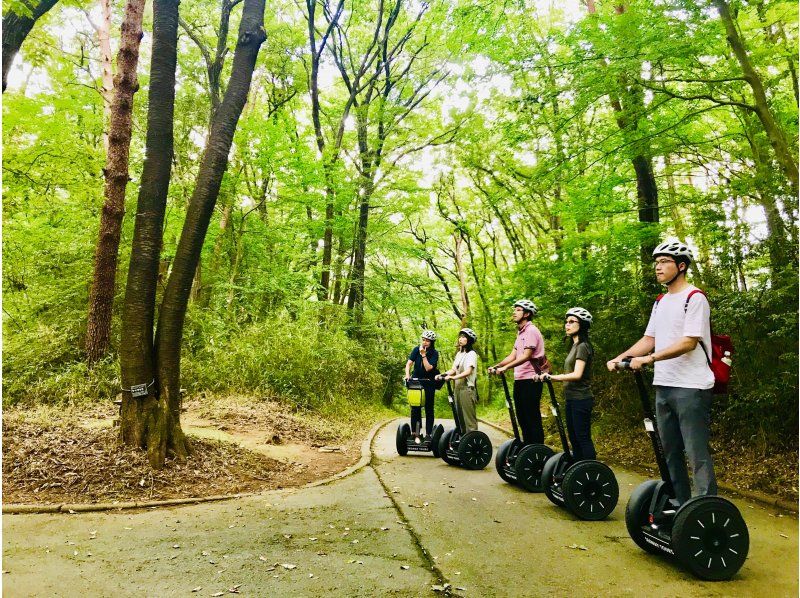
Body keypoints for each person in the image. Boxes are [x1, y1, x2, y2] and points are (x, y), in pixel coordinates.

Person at [606, 240, 716, 504]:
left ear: (681, 266)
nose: (658, 267)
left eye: (665, 262)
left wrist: (650, 358)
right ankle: (681, 504)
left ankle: (706, 507)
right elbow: (649, 338)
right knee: (670, 451)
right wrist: (621, 357)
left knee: (695, 451)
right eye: (656, 262)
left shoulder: (694, 298)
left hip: (692, 386)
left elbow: (689, 342)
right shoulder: (660, 301)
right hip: (664, 384)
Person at [539, 308, 596, 460]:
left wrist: (552, 378)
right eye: (566, 322)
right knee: (574, 438)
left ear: (582, 324)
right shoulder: (574, 346)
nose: (567, 325)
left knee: (582, 437)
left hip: (581, 398)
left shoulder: (583, 346)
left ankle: (590, 469)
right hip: (571, 398)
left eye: (571, 322)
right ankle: (578, 468)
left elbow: (577, 374)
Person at [488, 299, 546, 444]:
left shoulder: (531, 330)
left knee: (531, 417)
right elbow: (513, 355)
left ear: (527, 314)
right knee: (522, 417)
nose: (514, 312)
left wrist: (506, 368)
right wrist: (497, 365)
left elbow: (527, 356)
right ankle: (528, 448)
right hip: (520, 379)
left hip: (531, 379)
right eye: (514, 309)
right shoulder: (521, 332)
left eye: (518, 310)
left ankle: (538, 449)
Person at [436, 328, 480, 433]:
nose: (460, 339)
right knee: (460, 419)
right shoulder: (459, 354)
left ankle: (473, 439)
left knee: (469, 419)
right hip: (457, 389)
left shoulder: (471, 354)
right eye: (460, 336)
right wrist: (442, 375)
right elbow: (453, 370)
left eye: (464, 337)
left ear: (469, 340)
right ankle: (463, 439)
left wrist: (453, 377)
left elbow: (468, 371)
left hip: (467, 389)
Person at [404, 330, 439, 437]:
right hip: (416, 382)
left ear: (432, 342)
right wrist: (407, 375)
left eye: (427, 341)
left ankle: (428, 433)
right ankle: (415, 432)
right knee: (415, 408)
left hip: (429, 382)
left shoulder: (434, 353)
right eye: (423, 340)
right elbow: (409, 364)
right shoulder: (416, 349)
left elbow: (428, 368)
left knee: (429, 408)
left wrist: (423, 355)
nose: (425, 342)